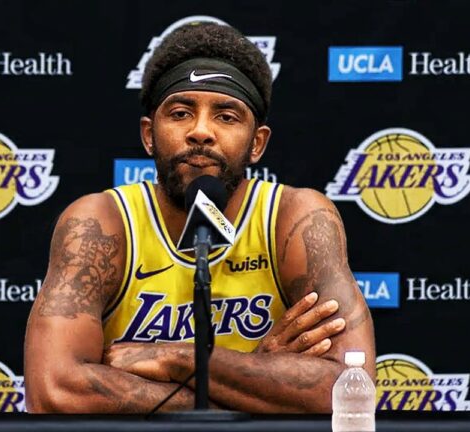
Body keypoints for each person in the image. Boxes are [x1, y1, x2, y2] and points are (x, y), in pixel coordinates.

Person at [24, 22, 375, 413]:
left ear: (257, 143)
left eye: (226, 116)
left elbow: (349, 389)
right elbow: (53, 391)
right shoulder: (101, 223)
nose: (201, 131)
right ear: (149, 135)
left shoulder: (294, 218)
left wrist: (179, 360)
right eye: (180, 113)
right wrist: (254, 378)